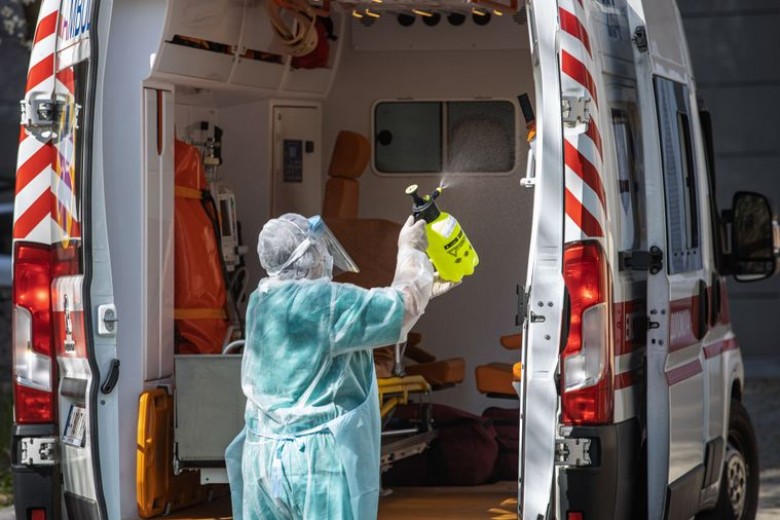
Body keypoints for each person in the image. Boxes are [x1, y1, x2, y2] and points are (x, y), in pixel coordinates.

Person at [226, 213, 457, 520]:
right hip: (316, 461)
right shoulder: (325, 302)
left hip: (263, 457)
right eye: (320, 248)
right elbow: (400, 310)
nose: (326, 256)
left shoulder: (263, 299)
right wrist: (411, 252)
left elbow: (363, 324)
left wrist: (423, 288)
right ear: (307, 255)